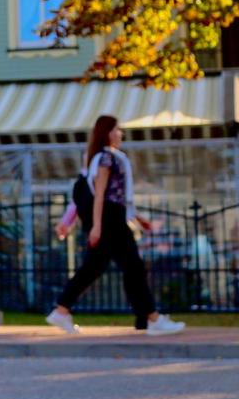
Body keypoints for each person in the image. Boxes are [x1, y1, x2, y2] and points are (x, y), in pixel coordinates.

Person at [46, 115, 185, 336]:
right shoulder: (105, 159)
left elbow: (117, 196)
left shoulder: (104, 157)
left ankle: (62, 310)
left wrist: (137, 218)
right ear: (108, 132)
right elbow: (100, 195)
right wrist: (97, 226)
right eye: (117, 129)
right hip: (110, 220)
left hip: (113, 217)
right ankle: (152, 318)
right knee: (132, 267)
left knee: (97, 268)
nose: (121, 134)